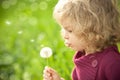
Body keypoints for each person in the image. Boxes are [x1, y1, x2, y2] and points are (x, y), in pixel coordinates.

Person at [43, 0, 120, 80]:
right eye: (63, 28)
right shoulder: (83, 56)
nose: (64, 36)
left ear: (93, 31)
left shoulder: (112, 63)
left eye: (69, 30)